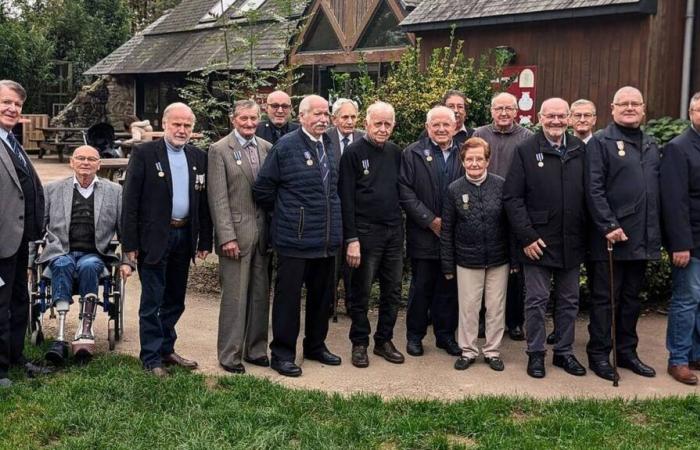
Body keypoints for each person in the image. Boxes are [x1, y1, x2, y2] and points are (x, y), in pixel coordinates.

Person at [253, 95, 343, 377]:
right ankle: (282, 354)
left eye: (326, 114)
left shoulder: (328, 144)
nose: (323, 119)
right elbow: (263, 190)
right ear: (302, 117)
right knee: (288, 300)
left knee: (321, 297)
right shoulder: (286, 146)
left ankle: (316, 345)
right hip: (295, 240)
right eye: (317, 114)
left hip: (326, 240)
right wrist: (289, 215)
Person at [121, 102, 212, 378]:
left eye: (187, 126)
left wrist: (205, 240)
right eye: (177, 124)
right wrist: (130, 245)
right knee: (153, 300)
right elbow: (130, 201)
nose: (181, 130)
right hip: (153, 238)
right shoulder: (145, 153)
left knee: (175, 299)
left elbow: (203, 202)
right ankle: (150, 357)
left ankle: (166, 348)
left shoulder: (198, 157)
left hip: (184, 236)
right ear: (164, 124)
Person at [504, 98, 587, 379]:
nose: (556, 121)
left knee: (569, 300)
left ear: (569, 119)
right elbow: (512, 198)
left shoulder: (579, 149)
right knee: (537, 299)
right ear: (540, 117)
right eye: (550, 116)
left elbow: (590, 194)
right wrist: (527, 237)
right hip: (537, 242)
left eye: (561, 116)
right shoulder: (525, 150)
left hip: (571, 241)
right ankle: (536, 353)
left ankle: (564, 353)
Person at [585, 86, 660, 381]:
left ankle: (627, 352)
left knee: (632, 299)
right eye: (623, 103)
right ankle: (599, 354)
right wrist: (609, 225)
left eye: (635, 103)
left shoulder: (651, 143)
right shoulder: (601, 142)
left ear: (643, 109)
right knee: (606, 299)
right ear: (612, 108)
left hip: (642, 237)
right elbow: (593, 189)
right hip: (611, 239)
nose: (630, 108)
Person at [36, 145, 130, 364]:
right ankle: (60, 337)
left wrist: (127, 261)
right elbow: (37, 229)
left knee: (89, 266)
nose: (85, 163)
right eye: (80, 158)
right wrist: (29, 263)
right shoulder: (52, 190)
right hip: (61, 251)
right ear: (72, 162)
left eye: (91, 159)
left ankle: (84, 331)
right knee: (61, 264)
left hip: (95, 253)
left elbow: (125, 231)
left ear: (99, 164)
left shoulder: (114, 192)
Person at [207, 100, 272, 375]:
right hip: (235, 236)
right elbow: (218, 199)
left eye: (253, 119)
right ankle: (229, 354)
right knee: (235, 297)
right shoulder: (219, 150)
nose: (249, 123)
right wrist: (226, 237)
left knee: (260, 295)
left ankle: (256, 349)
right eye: (244, 118)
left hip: (262, 235)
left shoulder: (267, 148)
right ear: (233, 119)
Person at [339, 101, 404, 367]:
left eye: (388, 124)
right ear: (366, 123)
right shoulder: (353, 153)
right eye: (378, 123)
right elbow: (346, 199)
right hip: (365, 234)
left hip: (393, 232)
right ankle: (359, 343)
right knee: (361, 292)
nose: (383, 128)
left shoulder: (395, 152)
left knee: (392, 291)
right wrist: (351, 239)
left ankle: (384, 340)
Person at [441, 137, 509, 371]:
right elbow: (447, 229)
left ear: (487, 160)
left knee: (495, 306)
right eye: (469, 159)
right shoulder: (454, 189)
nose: (475, 163)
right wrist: (448, 264)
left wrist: (515, 260)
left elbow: (510, 224)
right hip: (467, 260)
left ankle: (492, 351)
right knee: (469, 307)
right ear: (463, 162)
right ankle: (468, 350)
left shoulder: (501, 185)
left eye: (479, 158)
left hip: (498, 259)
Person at [400, 105, 463, 357]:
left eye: (446, 124)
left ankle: (445, 336)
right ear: (427, 128)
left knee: (449, 289)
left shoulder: (465, 151)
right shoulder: (412, 153)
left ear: (455, 127)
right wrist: (430, 220)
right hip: (423, 233)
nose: (441, 129)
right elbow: (405, 191)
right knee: (421, 287)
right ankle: (414, 337)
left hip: (455, 235)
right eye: (435, 124)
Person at [0, 80, 50, 387]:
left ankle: (16, 357)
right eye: (6, 102)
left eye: (17, 104)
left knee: (19, 300)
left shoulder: (11, 140)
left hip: (19, 241)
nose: (12, 108)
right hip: (1, 241)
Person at [473, 92, 533, 341]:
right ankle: (481, 320)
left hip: (516, 210)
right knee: (483, 266)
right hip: (484, 209)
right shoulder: (479, 134)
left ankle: (515, 321)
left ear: (517, 111)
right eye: (499, 108)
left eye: (509, 108)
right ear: (491, 111)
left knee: (515, 269)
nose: (504, 113)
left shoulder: (527, 138)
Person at [659, 92, 700, 385]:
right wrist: (680, 243)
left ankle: (696, 354)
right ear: (691, 113)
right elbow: (674, 202)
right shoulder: (678, 148)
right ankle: (679, 359)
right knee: (687, 300)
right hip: (691, 242)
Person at [325, 98, 364, 314]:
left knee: (353, 260)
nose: (349, 121)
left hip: (355, 209)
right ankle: (329, 302)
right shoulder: (325, 138)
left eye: (353, 117)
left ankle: (351, 302)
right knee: (332, 260)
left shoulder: (363, 139)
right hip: (330, 208)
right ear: (335, 119)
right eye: (345, 117)